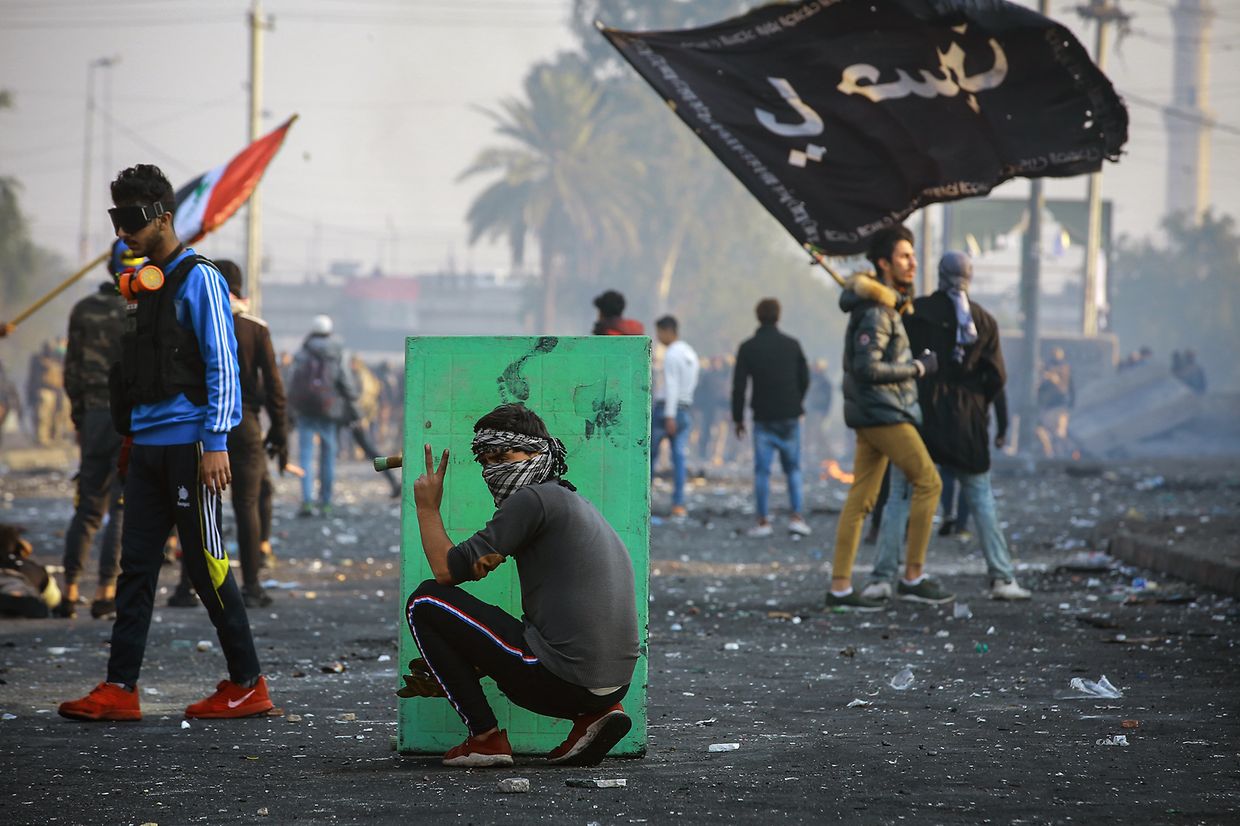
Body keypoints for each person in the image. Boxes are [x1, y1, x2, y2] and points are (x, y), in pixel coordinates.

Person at [59, 164, 271, 722]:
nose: (122, 231)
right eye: (116, 218)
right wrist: (132, 438)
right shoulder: (143, 284)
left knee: (206, 565)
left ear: (162, 216)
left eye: (130, 219)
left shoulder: (199, 277)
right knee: (136, 567)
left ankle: (249, 684)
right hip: (148, 445)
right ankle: (119, 689)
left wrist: (217, 441)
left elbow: (222, 362)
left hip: (191, 447)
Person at [404, 403, 639, 767]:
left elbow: (448, 571)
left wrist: (427, 507)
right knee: (499, 629)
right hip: (614, 683)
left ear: (537, 452)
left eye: (503, 455)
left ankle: (485, 738)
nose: (492, 468)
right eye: (485, 460)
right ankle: (595, 716)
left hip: (563, 679)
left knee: (425, 602)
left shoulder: (532, 500)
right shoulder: (572, 500)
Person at [862, 252, 1031, 602]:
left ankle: (882, 578)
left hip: (919, 415)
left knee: (900, 496)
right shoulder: (984, 321)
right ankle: (1002, 577)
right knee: (980, 496)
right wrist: (978, 404)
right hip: (967, 421)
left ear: (940, 275)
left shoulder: (917, 311)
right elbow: (996, 376)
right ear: (970, 277)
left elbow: (898, 359)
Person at [826, 226, 950, 611]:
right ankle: (912, 576)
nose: (912, 263)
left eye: (913, 256)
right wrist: (916, 367)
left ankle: (840, 588)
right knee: (929, 481)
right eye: (903, 256)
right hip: (884, 413)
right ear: (883, 264)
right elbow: (866, 368)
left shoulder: (883, 308)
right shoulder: (878, 313)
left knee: (861, 499)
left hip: (874, 412)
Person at [55, 242, 130, 619]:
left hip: (94, 417)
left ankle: (68, 590)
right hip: (128, 419)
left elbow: (70, 371)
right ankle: (105, 591)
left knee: (86, 507)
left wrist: (80, 415)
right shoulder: (138, 309)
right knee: (119, 507)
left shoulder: (82, 310)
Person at [218, 260, 287, 608]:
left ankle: (189, 586)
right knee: (246, 504)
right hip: (244, 424)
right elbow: (274, 385)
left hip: (205, 424)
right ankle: (251, 585)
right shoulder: (254, 328)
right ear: (241, 290)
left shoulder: (198, 324)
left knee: (202, 505)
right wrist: (280, 432)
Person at [731, 298, 812, 538]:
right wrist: (796, 401)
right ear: (778, 316)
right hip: (790, 415)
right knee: (793, 469)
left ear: (758, 316)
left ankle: (763, 521)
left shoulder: (748, 347)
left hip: (763, 418)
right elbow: (804, 378)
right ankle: (796, 518)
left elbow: (739, 386)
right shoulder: (792, 345)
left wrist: (738, 419)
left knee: (762, 472)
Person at [288, 314, 358, 517]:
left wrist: (290, 409)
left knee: (306, 456)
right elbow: (345, 380)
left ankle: (307, 501)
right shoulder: (338, 351)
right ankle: (326, 502)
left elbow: (292, 382)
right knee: (328, 457)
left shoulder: (302, 351)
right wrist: (352, 399)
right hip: (329, 409)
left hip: (305, 411)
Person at [651, 315, 699, 518]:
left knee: (649, 456)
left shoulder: (671, 354)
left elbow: (671, 386)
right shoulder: (690, 353)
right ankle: (678, 504)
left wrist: (669, 414)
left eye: (659, 332)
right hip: (685, 408)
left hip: (667, 411)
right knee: (679, 458)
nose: (658, 337)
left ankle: (643, 501)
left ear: (667, 331)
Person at [1036, 347, 1074, 458]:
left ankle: (1059, 457)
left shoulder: (1062, 372)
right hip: (1050, 408)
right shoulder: (1049, 375)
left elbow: (1067, 389)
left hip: (1058, 408)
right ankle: (1053, 455)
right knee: (1048, 433)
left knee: (1058, 435)